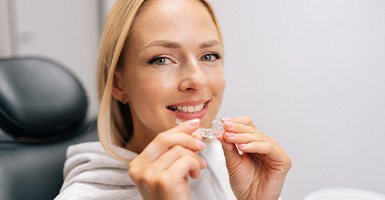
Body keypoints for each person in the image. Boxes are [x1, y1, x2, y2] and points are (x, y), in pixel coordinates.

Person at [55, 0, 291, 199]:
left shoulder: (224, 163)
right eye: (162, 59)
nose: (197, 80)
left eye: (209, 55)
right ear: (119, 85)